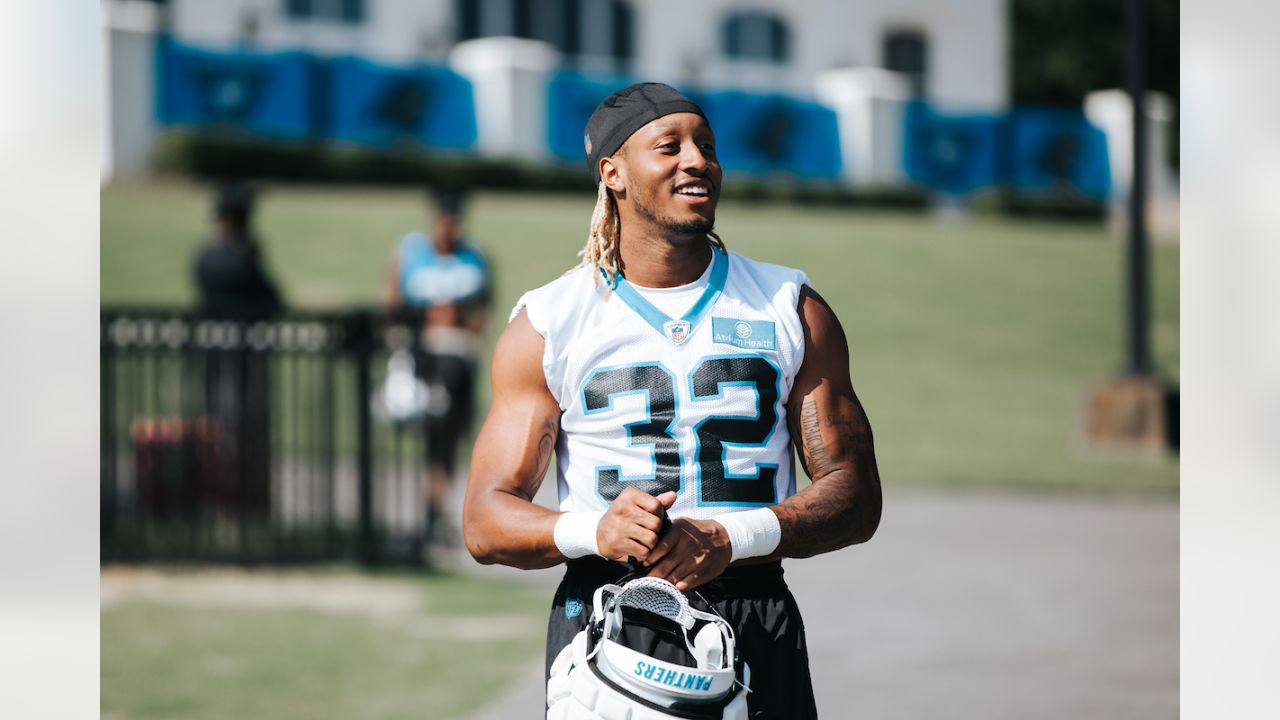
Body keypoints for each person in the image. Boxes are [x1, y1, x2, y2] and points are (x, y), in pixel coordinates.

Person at [463, 83, 882, 718]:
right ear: (613, 173)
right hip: (607, 604)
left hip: (752, 604)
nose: (698, 161)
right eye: (670, 146)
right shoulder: (550, 321)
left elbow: (856, 495)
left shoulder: (790, 306)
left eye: (707, 147)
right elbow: (485, 521)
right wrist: (596, 530)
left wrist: (730, 535)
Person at [386, 187, 491, 548]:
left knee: (453, 437)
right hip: (428, 355)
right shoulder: (412, 256)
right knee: (434, 435)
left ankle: (438, 509)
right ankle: (431, 511)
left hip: (460, 356)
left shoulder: (474, 259)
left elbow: (483, 308)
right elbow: (395, 304)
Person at [193, 182, 282, 516]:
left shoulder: (203, 256)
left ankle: (226, 499)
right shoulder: (239, 258)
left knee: (220, 427)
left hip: (214, 355)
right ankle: (242, 502)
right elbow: (273, 300)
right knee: (239, 429)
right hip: (240, 359)